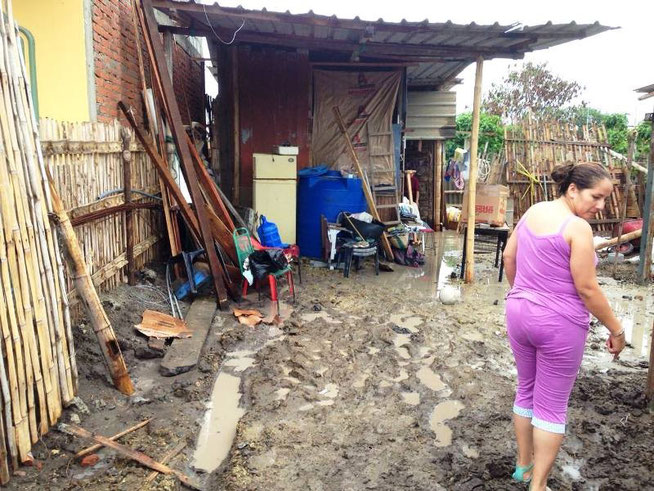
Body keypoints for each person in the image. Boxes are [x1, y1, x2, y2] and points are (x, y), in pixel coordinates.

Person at [502, 162, 625, 490]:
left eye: (604, 200)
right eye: (596, 197)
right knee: (551, 407)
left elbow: (508, 258)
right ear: (573, 190)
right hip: (559, 324)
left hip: (518, 313)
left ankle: (523, 465)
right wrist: (616, 329)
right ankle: (538, 485)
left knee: (525, 389)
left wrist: (523, 293)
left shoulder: (532, 212)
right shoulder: (577, 228)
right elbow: (587, 288)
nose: (600, 206)